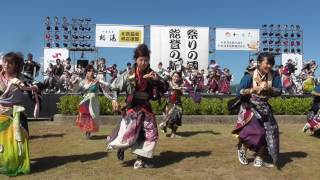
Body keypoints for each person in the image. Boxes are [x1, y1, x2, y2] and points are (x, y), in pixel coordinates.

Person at [107, 44, 168, 169]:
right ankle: (121, 149)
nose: (143, 63)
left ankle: (140, 159)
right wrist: (114, 99)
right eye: (141, 60)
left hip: (146, 108)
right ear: (136, 60)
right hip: (132, 107)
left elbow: (165, 86)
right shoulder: (129, 74)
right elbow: (114, 87)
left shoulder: (153, 74)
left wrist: (156, 80)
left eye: (146, 60)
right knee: (127, 133)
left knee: (149, 133)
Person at [232, 53, 282, 168]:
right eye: (267, 63)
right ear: (259, 63)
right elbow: (239, 92)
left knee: (270, 133)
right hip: (250, 106)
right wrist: (252, 90)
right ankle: (242, 147)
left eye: (271, 64)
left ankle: (259, 157)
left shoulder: (274, 75)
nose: (269, 66)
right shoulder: (249, 74)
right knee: (257, 131)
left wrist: (269, 88)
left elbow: (279, 91)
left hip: (264, 107)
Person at [0, 52, 42, 176]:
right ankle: (6, 162)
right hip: (1, 113)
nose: (6, 65)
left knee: (21, 139)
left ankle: (20, 163)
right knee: (3, 141)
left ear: (16, 65)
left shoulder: (21, 78)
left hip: (17, 112)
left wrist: (34, 88)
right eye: (5, 61)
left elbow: (36, 85)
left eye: (10, 63)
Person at [75, 65, 112, 139]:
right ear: (86, 72)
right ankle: (87, 132)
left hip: (94, 102)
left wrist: (101, 82)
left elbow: (108, 85)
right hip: (86, 101)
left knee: (93, 117)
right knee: (86, 116)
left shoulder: (96, 80)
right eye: (89, 71)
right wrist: (74, 83)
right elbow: (77, 88)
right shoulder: (83, 82)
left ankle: (88, 131)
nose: (91, 72)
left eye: (92, 71)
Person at [159, 71, 183, 138]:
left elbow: (181, 93)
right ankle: (164, 126)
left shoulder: (180, 84)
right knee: (168, 118)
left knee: (177, 119)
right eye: (175, 76)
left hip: (178, 104)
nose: (176, 78)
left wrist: (179, 89)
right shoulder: (168, 84)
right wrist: (173, 88)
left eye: (177, 77)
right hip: (169, 104)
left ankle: (173, 134)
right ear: (172, 77)